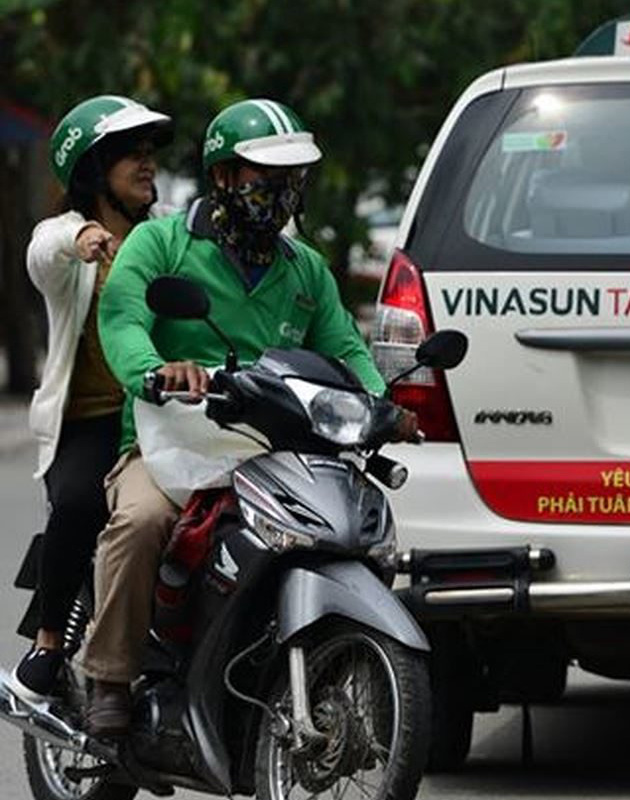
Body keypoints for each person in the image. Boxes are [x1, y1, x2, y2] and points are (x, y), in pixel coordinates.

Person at [82, 98, 413, 734]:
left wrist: (383, 406)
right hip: (167, 444)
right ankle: (111, 675)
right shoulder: (160, 244)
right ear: (225, 177)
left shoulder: (304, 270)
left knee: (340, 527)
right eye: (267, 177)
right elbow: (123, 320)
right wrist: (156, 371)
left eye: (291, 180)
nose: (281, 192)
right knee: (143, 521)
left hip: (268, 449)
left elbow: (345, 348)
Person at [10, 96, 173, 702]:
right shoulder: (71, 243)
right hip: (90, 423)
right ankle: (50, 644)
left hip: (163, 419)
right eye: (132, 153)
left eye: (150, 153)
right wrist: (79, 236)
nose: (147, 164)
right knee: (79, 502)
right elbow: (42, 249)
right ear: (92, 168)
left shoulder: (165, 236)